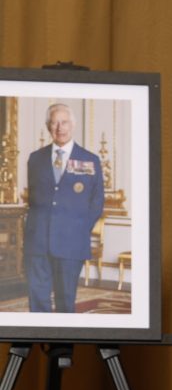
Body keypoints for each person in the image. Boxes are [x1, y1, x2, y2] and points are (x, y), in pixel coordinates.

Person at [24, 103, 105, 313]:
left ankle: (61, 346)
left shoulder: (90, 160)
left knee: (65, 301)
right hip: (38, 241)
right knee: (37, 298)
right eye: (54, 122)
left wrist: (77, 229)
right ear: (48, 126)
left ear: (73, 125)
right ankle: (39, 340)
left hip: (71, 242)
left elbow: (96, 203)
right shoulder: (35, 158)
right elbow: (34, 198)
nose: (60, 127)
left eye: (64, 122)